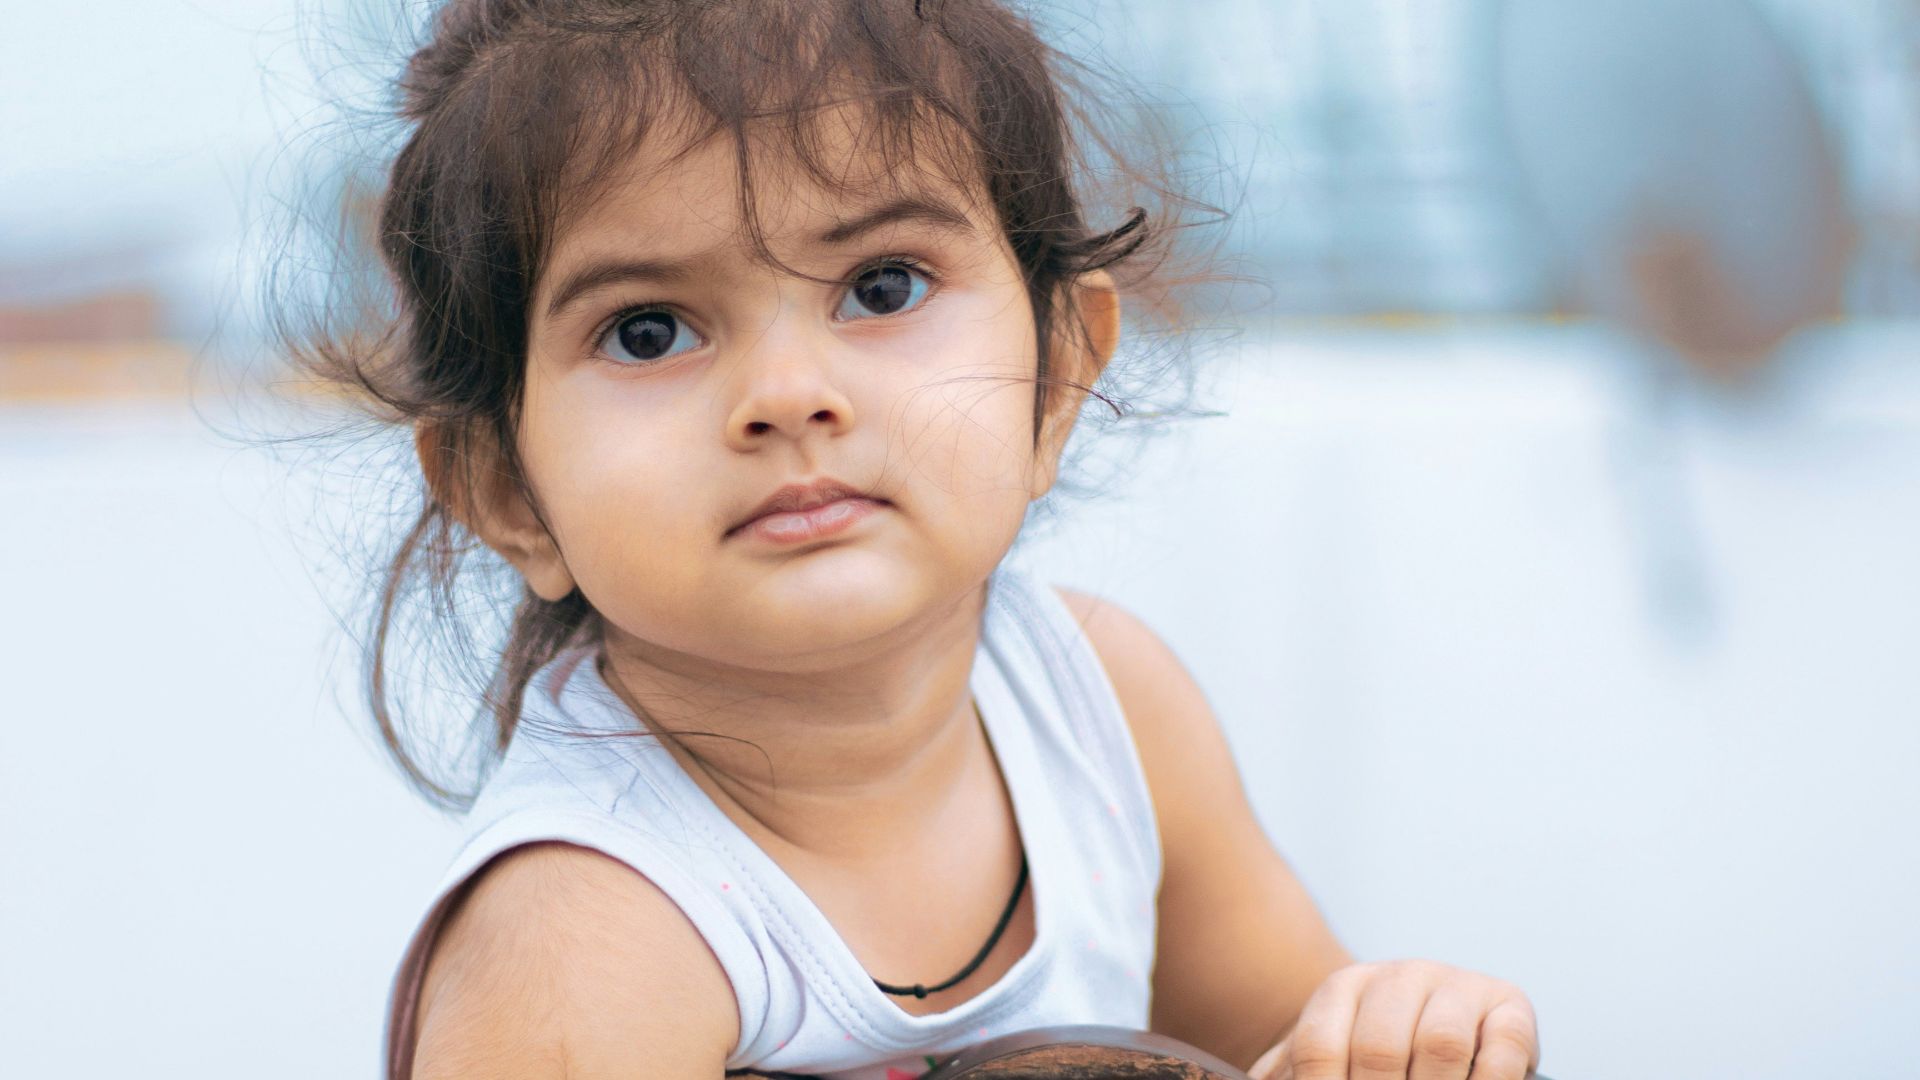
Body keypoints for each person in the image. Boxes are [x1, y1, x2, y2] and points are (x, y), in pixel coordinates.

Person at [289, 2, 1541, 1077]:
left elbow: (1291, 1031)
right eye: (650, 330)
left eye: (881, 287)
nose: (788, 392)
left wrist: (1395, 1031)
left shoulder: (1104, 710)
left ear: (1058, 378)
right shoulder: (592, 934)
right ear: (508, 491)